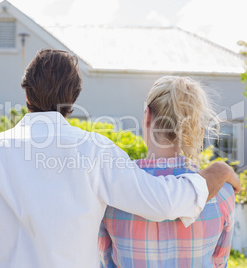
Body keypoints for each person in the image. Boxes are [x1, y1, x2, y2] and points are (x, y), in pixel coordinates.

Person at [0, 49, 240, 268]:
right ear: (74, 99)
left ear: (26, 95)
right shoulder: (98, 152)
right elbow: (167, 203)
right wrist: (218, 171)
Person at [99, 76, 236, 267]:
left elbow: (105, 260)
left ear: (147, 116)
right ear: (196, 125)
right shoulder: (223, 193)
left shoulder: (113, 188)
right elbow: (219, 263)